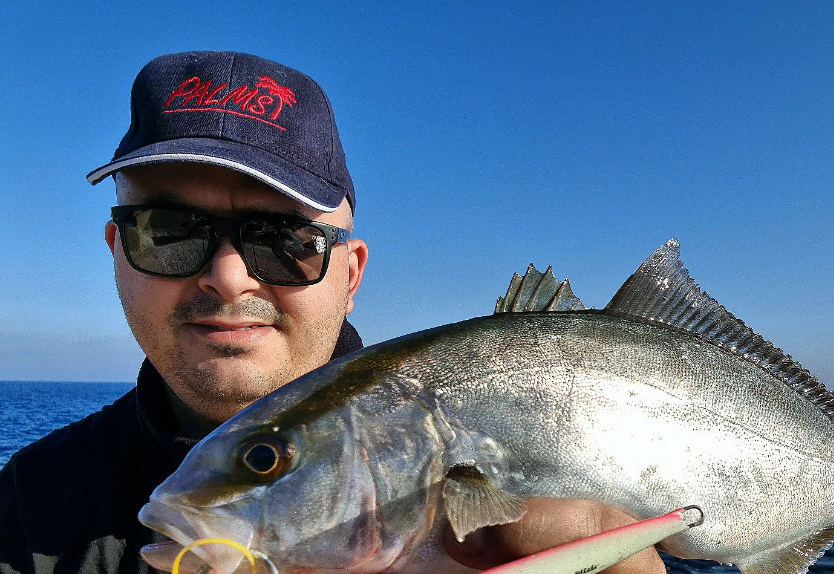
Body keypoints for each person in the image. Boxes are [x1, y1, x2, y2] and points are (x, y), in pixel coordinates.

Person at [0, 51, 664, 574]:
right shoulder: (29, 505)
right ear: (118, 250)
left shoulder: (581, 424)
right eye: (168, 231)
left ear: (351, 274)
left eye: (287, 242)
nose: (228, 277)